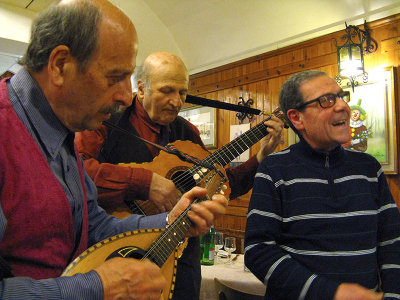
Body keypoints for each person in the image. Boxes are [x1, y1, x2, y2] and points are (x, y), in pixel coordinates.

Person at [0, 1, 228, 299]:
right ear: (59, 65)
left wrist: (169, 221)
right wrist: (97, 287)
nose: (124, 96)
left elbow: (93, 225)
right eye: (114, 77)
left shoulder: (63, 129)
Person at [75, 51, 284, 299]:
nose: (177, 102)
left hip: (183, 262)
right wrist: (145, 183)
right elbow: (79, 174)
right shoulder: (107, 121)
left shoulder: (187, 132)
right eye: (167, 90)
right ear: (141, 89)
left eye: (182, 93)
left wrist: (261, 157)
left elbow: (221, 183)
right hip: (121, 252)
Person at [244, 70, 400, 300]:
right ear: (297, 118)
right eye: (326, 100)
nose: (342, 106)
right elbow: (258, 251)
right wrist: (331, 293)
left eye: (340, 96)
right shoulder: (273, 169)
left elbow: (392, 241)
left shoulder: (369, 168)